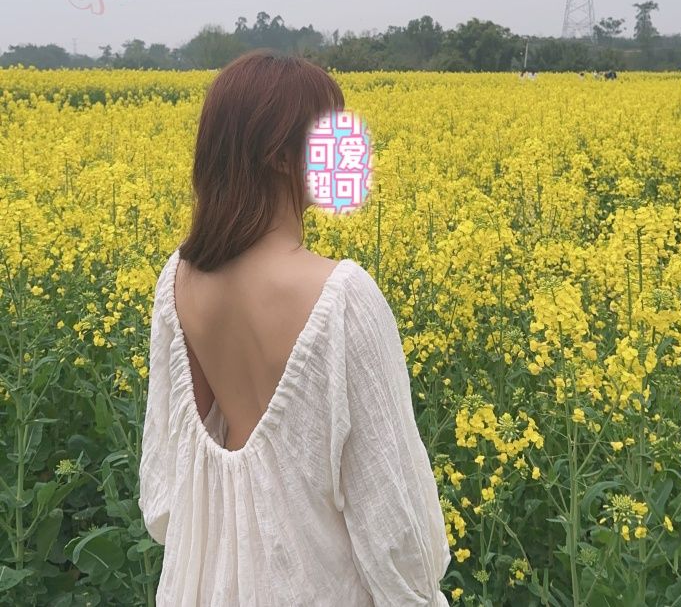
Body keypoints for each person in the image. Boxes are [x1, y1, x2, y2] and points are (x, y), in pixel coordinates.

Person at [137, 49, 451, 606]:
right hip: (316, 581)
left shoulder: (180, 278)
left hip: (213, 582)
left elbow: (169, 482)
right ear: (279, 156)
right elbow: (392, 513)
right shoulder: (343, 297)